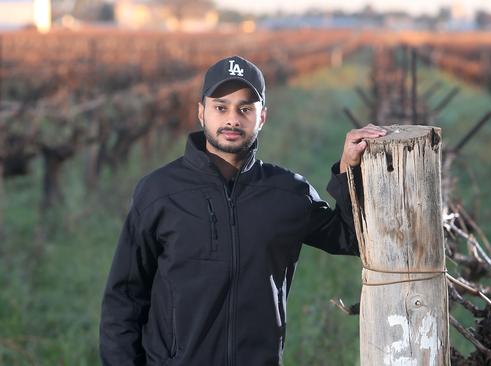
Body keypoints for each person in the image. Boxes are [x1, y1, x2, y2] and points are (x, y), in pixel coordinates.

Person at [99, 55, 387, 366]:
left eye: (245, 108)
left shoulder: (287, 192)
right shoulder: (159, 192)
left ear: (262, 117)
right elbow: (124, 300)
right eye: (220, 107)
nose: (232, 119)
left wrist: (348, 170)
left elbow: (350, 239)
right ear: (201, 112)